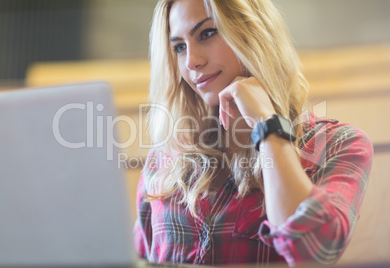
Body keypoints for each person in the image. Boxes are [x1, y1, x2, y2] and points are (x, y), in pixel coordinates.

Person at [134, 0, 373, 266]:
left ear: (253, 33)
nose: (192, 61)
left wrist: (268, 124)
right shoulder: (165, 157)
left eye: (207, 33)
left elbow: (313, 251)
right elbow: (141, 258)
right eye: (179, 47)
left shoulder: (337, 144)